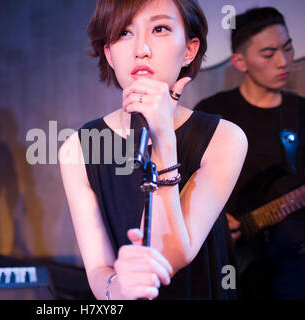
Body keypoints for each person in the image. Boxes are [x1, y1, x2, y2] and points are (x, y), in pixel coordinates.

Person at [59, 0, 247, 300]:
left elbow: (171, 256)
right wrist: (117, 288)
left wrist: (163, 140)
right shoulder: (78, 149)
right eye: (123, 33)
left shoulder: (224, 138)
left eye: (159, 28)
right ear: (109, 53)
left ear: (189, 49)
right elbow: (98, 270)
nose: (141, 49)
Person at [195, 7, 305, 299]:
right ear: (239, 61)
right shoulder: (212, 113)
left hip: (294, 265)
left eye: (288, 47)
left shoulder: (301, 111)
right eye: (268, 54)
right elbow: (181, 181)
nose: (283, 61)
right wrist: (214, 220)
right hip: (231, 263)